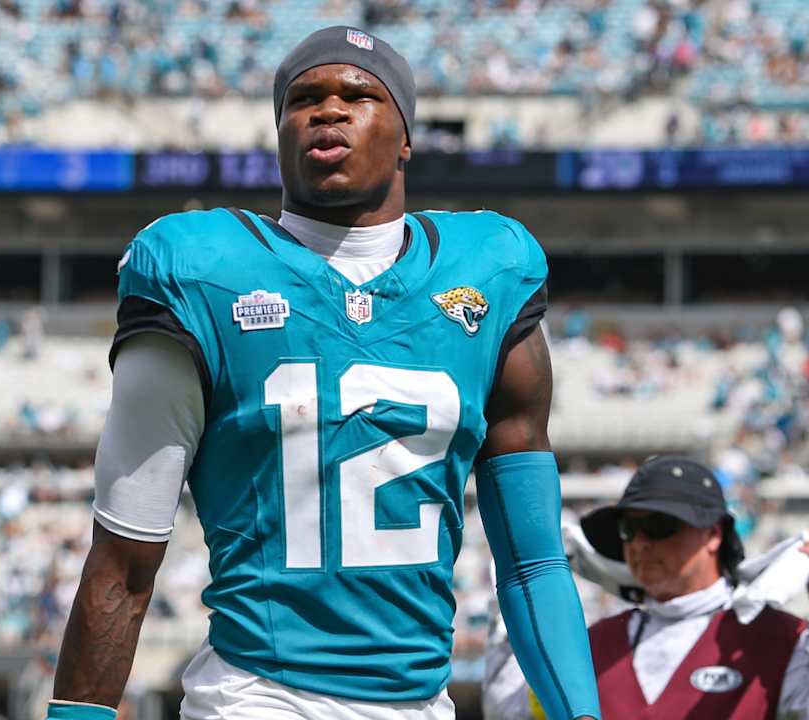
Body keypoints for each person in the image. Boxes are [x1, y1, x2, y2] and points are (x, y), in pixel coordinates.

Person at [47, 26, 600, 720]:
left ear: (406, 137)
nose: (327, 110)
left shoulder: (489, 271)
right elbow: (125, 560)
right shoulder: (202, 273)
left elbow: (532, 562)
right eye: (303, 99)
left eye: (358, 95)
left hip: (419, 703)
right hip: (257, 697)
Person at [486, 456, 809, 719]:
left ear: (714, 534)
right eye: (629, 528)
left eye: (659, 525)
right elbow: (508, 712)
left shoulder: (783, 639)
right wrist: (519, 596)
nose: (640, 543)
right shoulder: (590, 643)